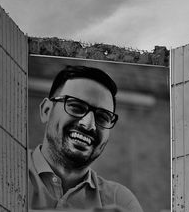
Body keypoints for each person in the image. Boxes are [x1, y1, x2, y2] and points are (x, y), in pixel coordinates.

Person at [28, 65, 144, 211]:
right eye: (76, 107)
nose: (89, 125)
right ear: (46, 111)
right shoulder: (4, 169)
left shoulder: (120, 200)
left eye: (102, 117)